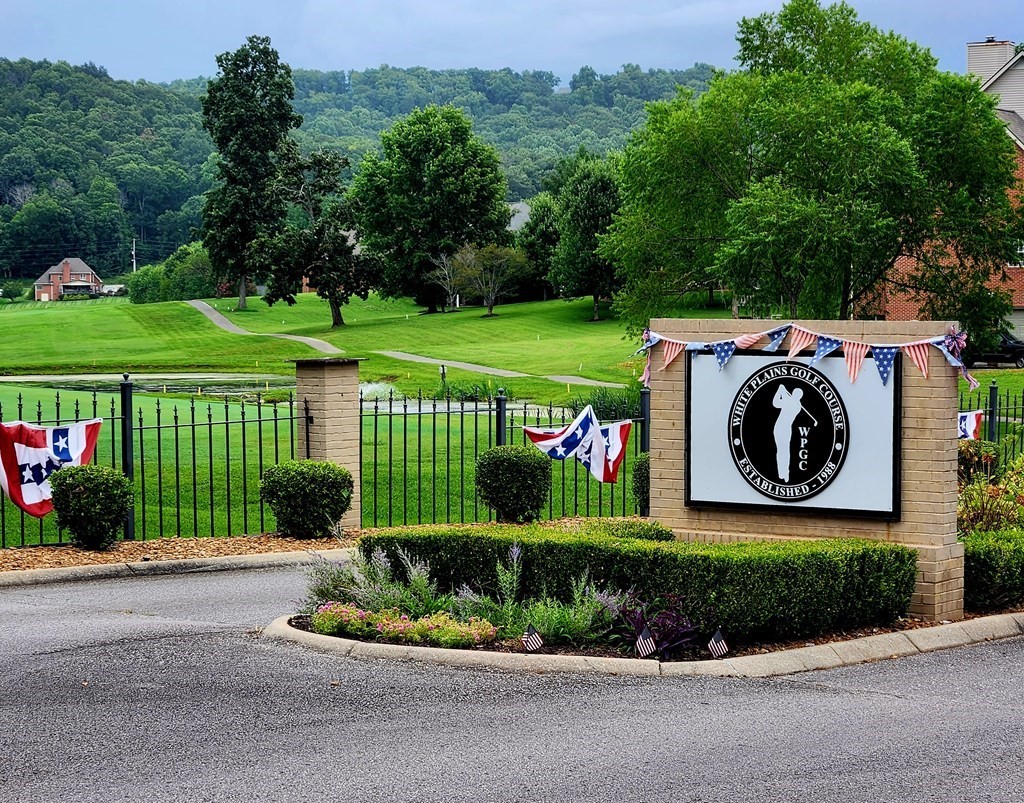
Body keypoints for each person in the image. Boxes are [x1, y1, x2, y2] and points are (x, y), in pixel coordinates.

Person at [772, 385, 803, 482]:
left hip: (781, 427)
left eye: (796, 394)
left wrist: (780, 391)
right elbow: (782, 401)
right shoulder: (797, 405)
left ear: (797, 396)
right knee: (783, 451)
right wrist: (782, 391)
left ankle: (783, 473)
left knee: (781, 451)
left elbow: (775, 403)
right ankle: (783, 473)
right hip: (785, 429)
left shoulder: (792, 403)